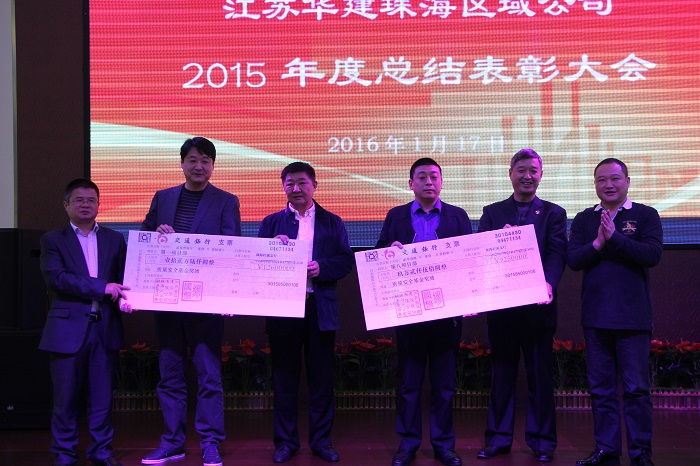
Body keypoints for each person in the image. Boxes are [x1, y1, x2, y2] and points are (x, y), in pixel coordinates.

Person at [140, 137, 241, 466]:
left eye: (205, 161)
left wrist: (227, 294)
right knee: (169, 375)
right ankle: (172, 442)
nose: (199, 166)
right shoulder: (163, 197)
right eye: (193, 160)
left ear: (213, 166)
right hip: (168, 298)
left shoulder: (226, 201)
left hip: (206, 302)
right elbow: (144, 239)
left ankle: (210, 443)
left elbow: (232, 248)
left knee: (208, 376)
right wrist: (157, 235)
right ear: (182, 163)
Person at [376, 158, 471, 466]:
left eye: (434, 177)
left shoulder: (457, 216)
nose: (429, 182)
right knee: (409, 385)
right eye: (422, 177)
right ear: (411, 184)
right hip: (409, 313)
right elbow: (378, 254)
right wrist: (388, 252)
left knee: (444, 385)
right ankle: (407, 445)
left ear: (441, 182)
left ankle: (444, 445)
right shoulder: (397, 216)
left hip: (447, 314)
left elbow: (469, 260)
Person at [567, 158, 662, 466]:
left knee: (636, 390)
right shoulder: (584, 219)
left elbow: (652, 255)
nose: (608, 185)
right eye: (601, 180)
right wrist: (598, 242)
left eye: (615, 179)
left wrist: (615, 238)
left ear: (627, 182)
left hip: (633, 319)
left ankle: (640, 453)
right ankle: (606, 450)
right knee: (601, 390)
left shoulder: (645, 215)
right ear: (595, 184)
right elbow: (573, 260)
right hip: (596, 318)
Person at [258, 162, 354, 464]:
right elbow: (256, 262)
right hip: (284, 309)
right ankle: (285, 443)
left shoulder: (332, 221)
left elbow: (345, 261)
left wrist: (321, 268)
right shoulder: (272, 222)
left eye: (302, 182)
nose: (296, 189)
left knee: (322, 380)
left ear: (314, 185)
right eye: (290, 183)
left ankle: (321, 442)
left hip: (318, 307)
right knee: (284, 379)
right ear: (283, 187)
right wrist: (271, 250)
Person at [475, 149, 567, 463]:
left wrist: (548, 283)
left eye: (533, 171)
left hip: (539, 309)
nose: (528, 176)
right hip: (502, 310)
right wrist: (496, 242)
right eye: (522, 170)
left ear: (541, 175)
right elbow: (480, 254)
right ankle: (498, 439)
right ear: (511, 173)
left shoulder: (554, 213)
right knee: (501, 376)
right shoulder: (492, 212)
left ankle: (542, 442)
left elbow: (557, 253)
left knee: (540, 376)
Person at [39, 178, 129, 466]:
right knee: (65, 399)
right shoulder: (53, 240)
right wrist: (102, 287)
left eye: (91, 200)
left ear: (99, 205)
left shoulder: (115, 239)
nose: (86, 205)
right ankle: (65, 453)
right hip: (67, 331)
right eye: (79, 200)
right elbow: (57, 279)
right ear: (66, 205)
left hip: (105, 328)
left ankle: (101, 451)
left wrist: (130, 297)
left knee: (102, 398)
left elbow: (126, 278)